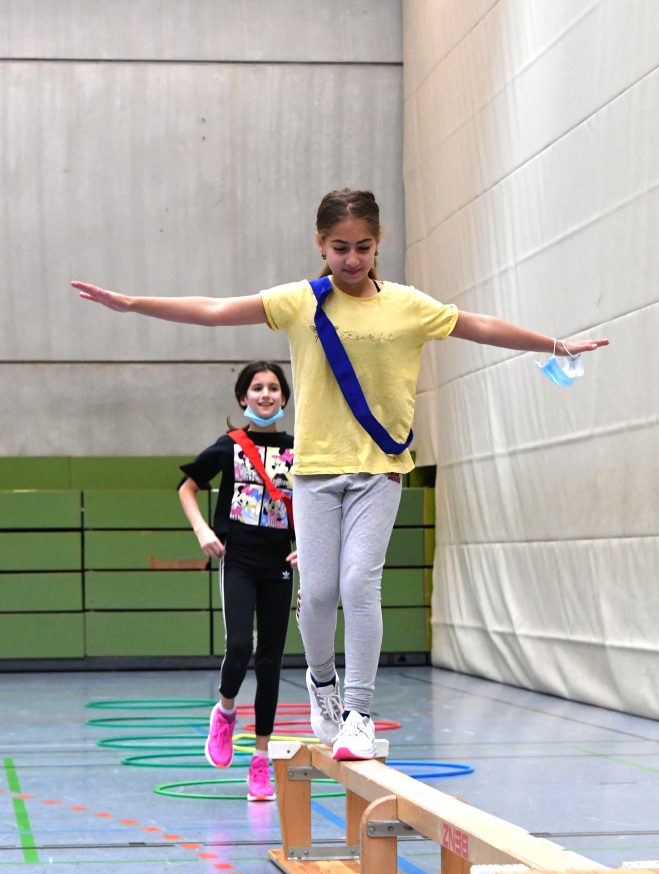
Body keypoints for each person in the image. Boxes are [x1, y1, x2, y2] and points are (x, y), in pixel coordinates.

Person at [72, 187, 608, 762]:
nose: (352, 259)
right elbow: (215, 309)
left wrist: (555, 345)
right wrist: (133, 304)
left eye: (363, 247)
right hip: (315, 474)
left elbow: (479, 325)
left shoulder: (407, 305)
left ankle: (358, 713)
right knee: (320, 592)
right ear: (320, 245)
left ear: (379, 243)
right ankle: (323, 684)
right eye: (339, 248)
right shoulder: (300, 302)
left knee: (359, 585)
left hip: (380, 471)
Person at [178, 360, 296, 800]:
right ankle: (225, 711)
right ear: (243, 397)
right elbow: (187, 487)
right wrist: (203, 531)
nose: (266, 394)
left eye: (273, 388)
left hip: (279, 561)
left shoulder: (300, 450)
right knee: (241, 646)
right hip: (240, 559)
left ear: (284, 398)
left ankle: (260, 760)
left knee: (270, 661)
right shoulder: (229, 446)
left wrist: (308, 545)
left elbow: (314, 504)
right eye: (257, 388)